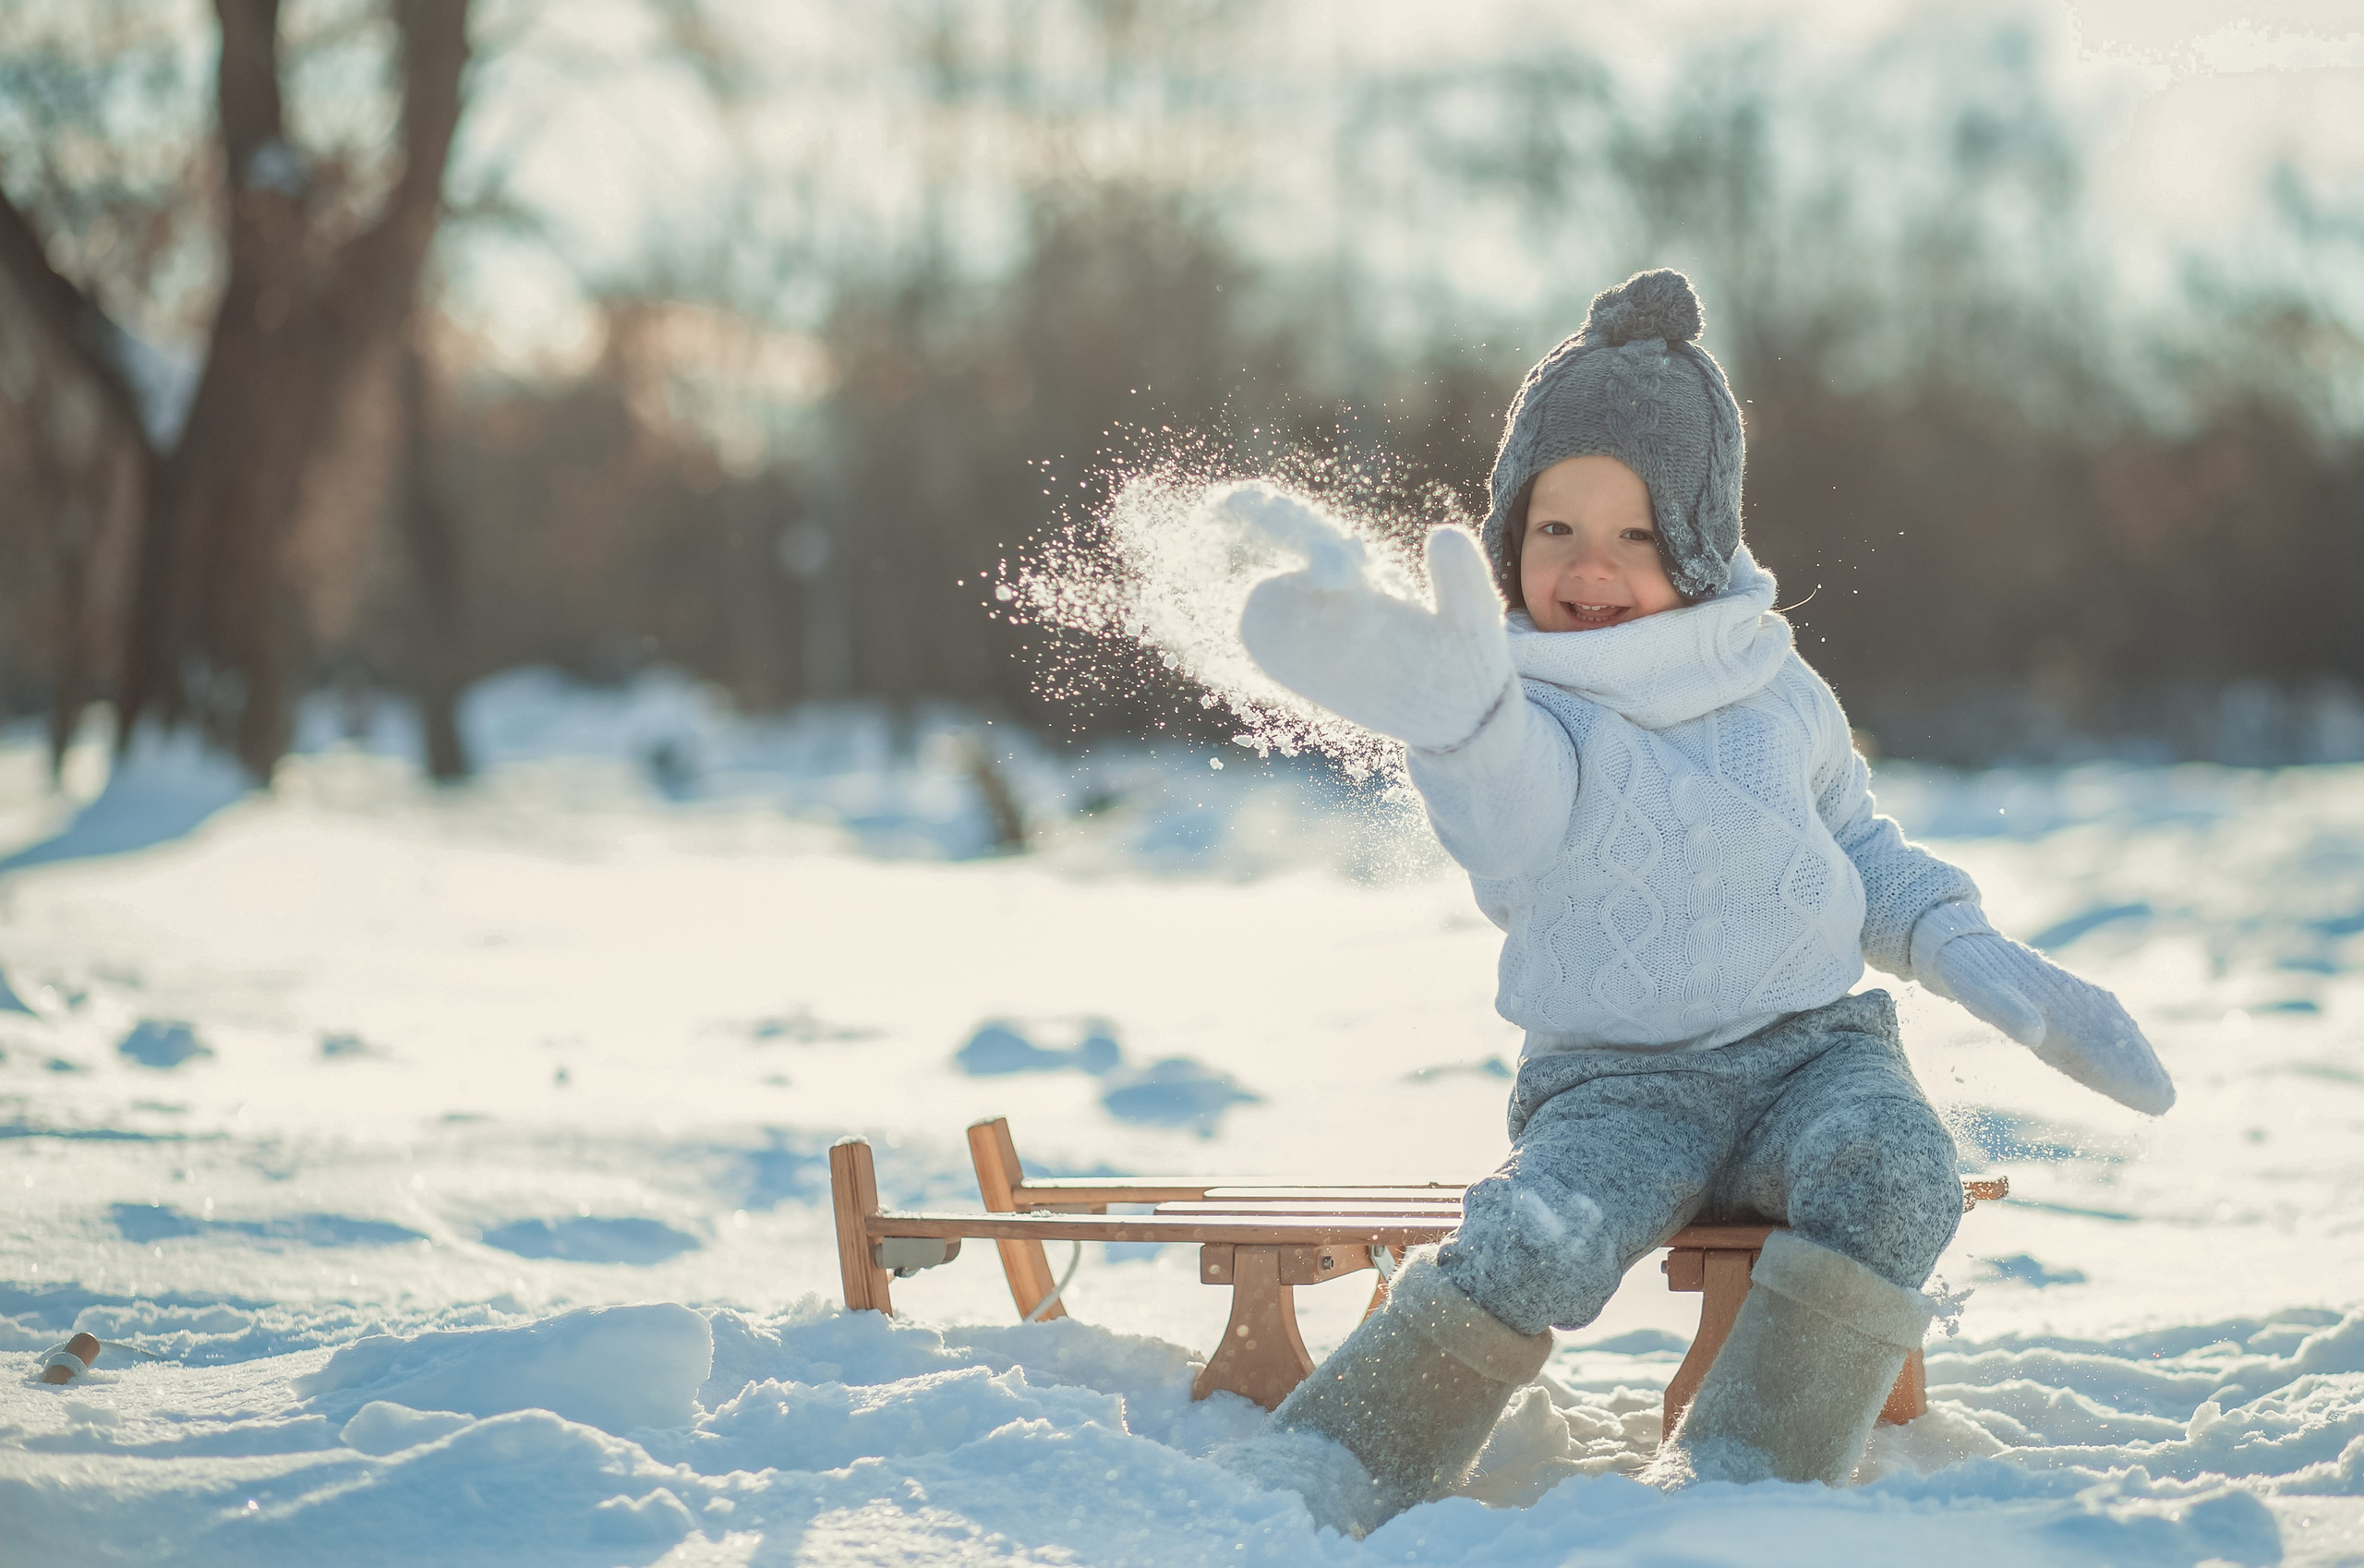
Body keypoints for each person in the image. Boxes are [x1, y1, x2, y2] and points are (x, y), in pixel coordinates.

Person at [1222, 269, 2174, 1536]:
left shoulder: (1777, 693)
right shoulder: (1522, 705)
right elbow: (1509, 821)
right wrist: (1460, 724)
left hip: (1812, 1056)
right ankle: (1336, 1465)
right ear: (1509, 540)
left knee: (1895, 1169)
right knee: (1539, 1234)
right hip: (1615, 1085)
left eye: (1635, 534)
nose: (1591, 569)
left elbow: (1857, 846)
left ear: (1702, 538)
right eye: (1554, 531)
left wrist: (1957, 938)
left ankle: (1749, 1482)